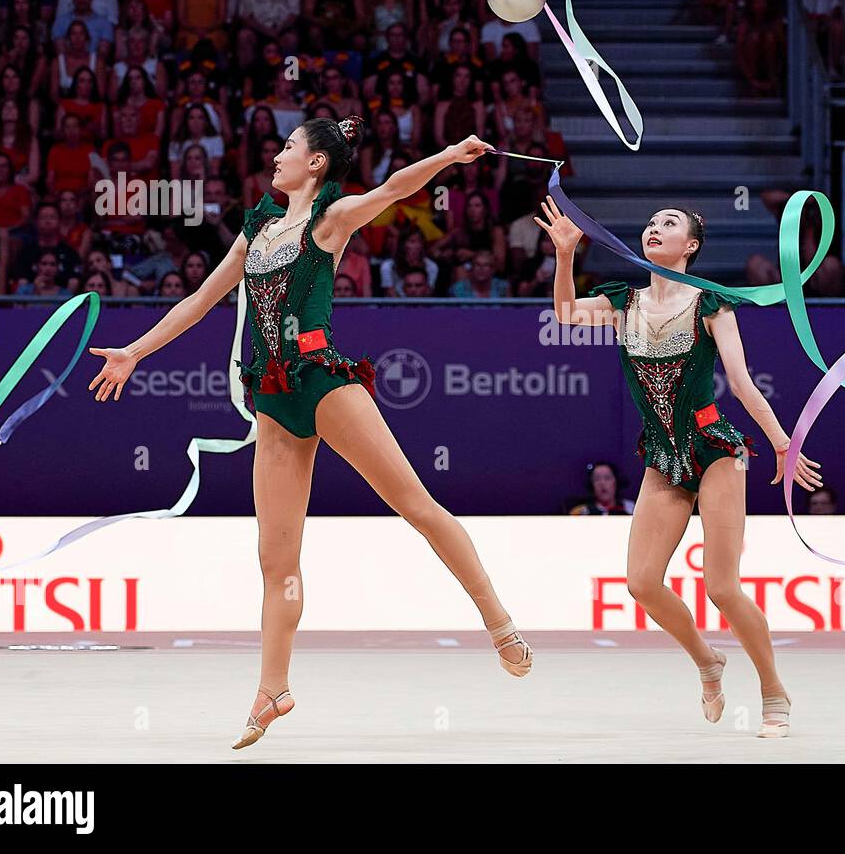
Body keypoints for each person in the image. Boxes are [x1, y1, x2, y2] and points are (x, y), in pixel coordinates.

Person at [86, 119, 533, 749]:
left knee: (416, 505)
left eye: (289, 146)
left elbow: (395, 191)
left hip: (322, 380)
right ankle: (274, 687)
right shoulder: (257, 230)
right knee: (276, 560)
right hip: (272, 397)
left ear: (317, 163)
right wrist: (134, 351)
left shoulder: (331, 220)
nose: (277, 154)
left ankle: (499, 621)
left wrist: (451, 154)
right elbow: (199, 301)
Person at [535, 194, 822, 738]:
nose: (653, 228)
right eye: (648, 222)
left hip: (714, 448)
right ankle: (707, 661)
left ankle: (773, 691)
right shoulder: (623, 301)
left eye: (669, 223)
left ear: (690, 245)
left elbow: (740, 382)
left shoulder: (712, 304)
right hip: (663, 456)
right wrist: (566, 255)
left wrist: (784, 443)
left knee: (721, 586)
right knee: (641, 582)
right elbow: (568, 314)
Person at [569, 461, 635, 515]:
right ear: (591, 485)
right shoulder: (580, 513)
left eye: (607, 478)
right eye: (597, 479)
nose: (602, 483)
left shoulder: (631, 509)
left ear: (616, 482)